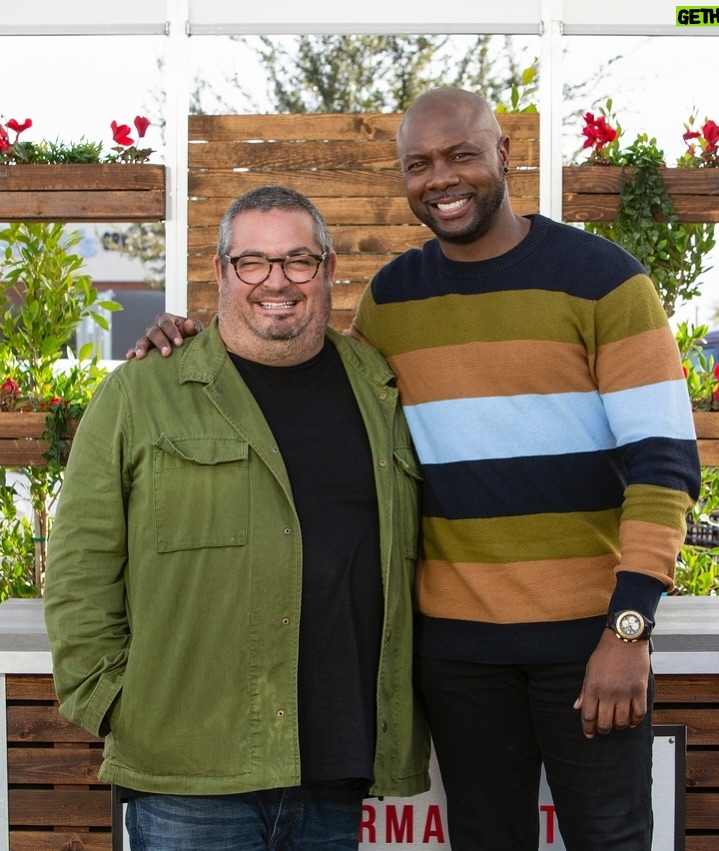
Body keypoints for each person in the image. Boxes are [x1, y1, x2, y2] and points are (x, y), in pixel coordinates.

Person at [131, 89, 702, 850]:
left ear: (504, 154)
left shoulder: (603, 279)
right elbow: (305, 363)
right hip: (458, 655)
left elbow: (664, 465)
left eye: (461, 154)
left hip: (588, 643)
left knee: (612, 839)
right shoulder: (393, 298)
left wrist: (628, 629)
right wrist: (195, 335)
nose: (441, 178)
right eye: (419, 164)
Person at [44, 185, 430, 851]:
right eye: (252, 261)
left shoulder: (380, 390)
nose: (276, 281)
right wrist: (112, 702)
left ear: (329, 269)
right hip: (188, 770)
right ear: (221, 271)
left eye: (298, 260)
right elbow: (79, 566)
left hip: (335, 763)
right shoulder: (141, 392)